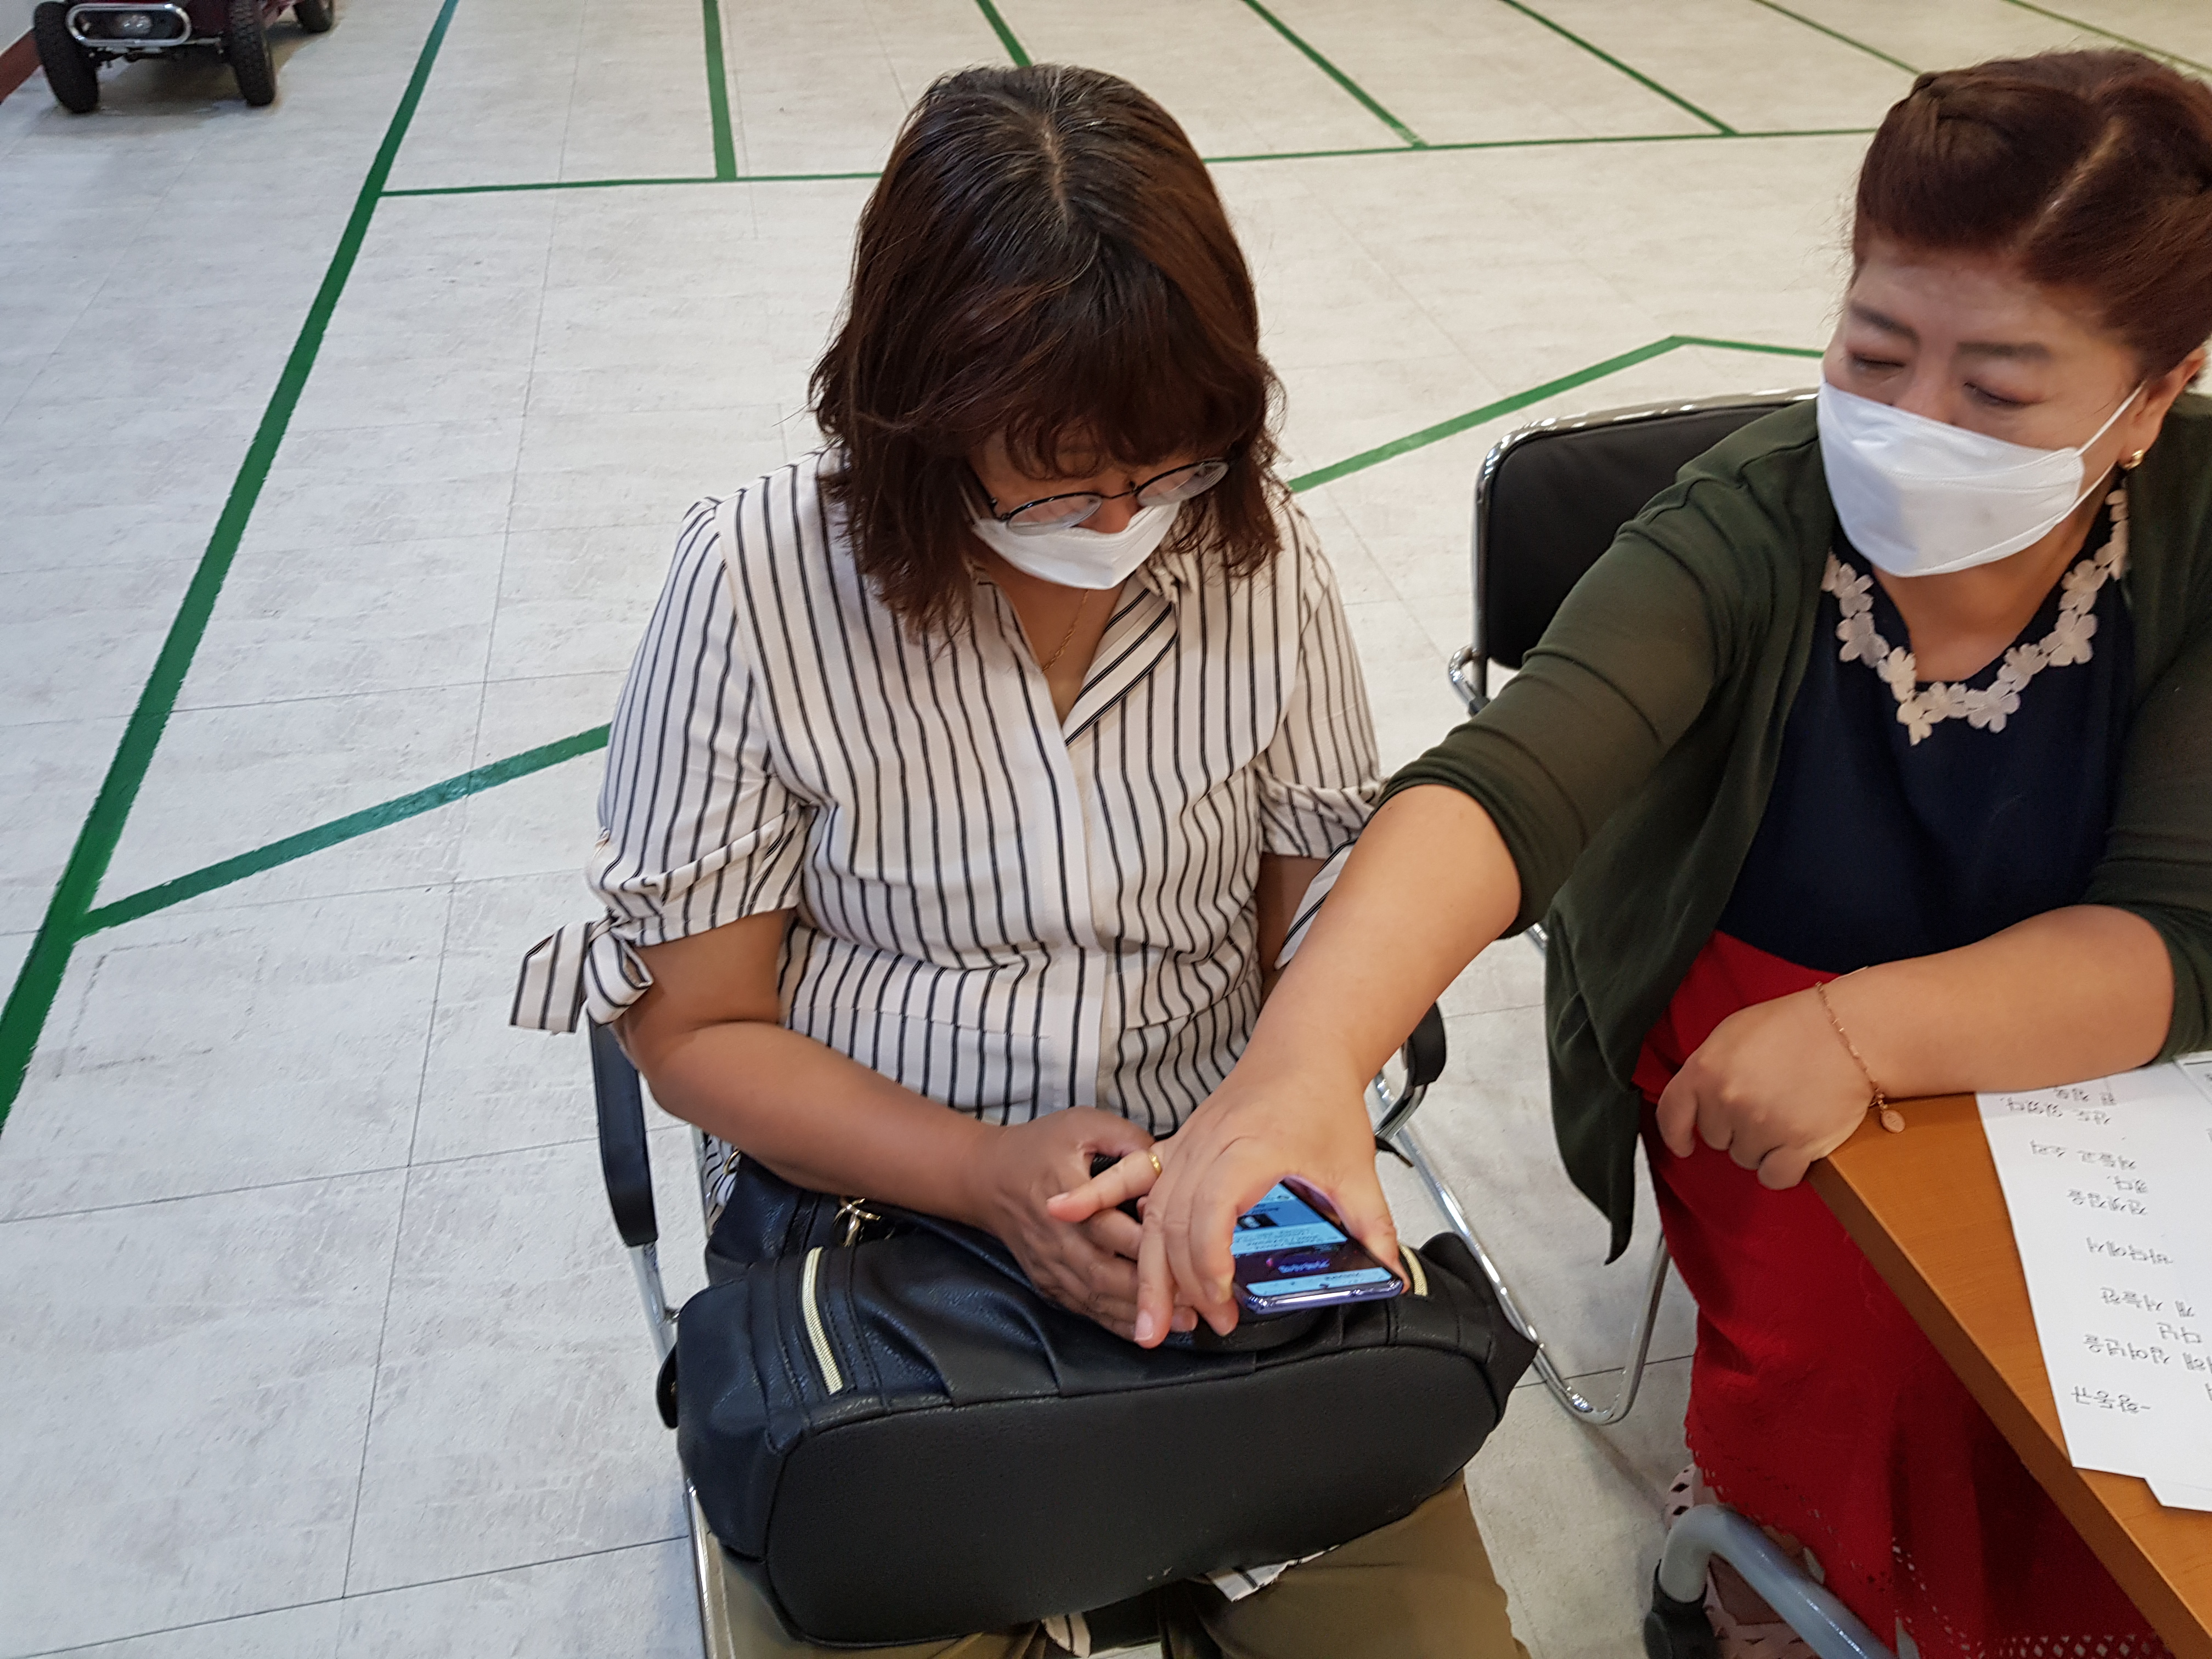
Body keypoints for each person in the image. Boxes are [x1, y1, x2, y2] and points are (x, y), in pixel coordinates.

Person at [1058, 49, 2212, 1653]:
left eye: (2000, 394)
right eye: (1874, 351)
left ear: (2154, 396)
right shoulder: (1751, 523)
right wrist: (1303, 1063)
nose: (1908, 428)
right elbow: (1506, 785)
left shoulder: (2193, 539)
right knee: (1866, 1341)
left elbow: (2176, 928)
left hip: (2073, 1045)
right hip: (1745, 998)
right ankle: (1772, 1557)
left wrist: (1867, 1031)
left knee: (2108, 1439)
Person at [514, 63, 1527, 1659]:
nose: (1123, 518)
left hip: (1210, 1190)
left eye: (1169, 462)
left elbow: (1319, 938)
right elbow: (695, 1027)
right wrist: (985, 1177)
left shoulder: (1258, 551)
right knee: (899, 1569)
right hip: (884, 1223)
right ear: (916, 416)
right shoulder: (759, 584)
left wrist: (1277, 1114)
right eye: (1058, 470)